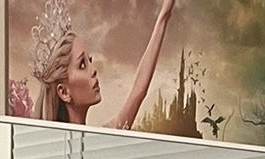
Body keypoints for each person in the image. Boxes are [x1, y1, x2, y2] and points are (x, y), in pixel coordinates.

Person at [31, 1, 176, 129]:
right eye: (82, 65)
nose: (94, 70)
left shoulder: (105, 136)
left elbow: (138, 91)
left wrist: (164, 15)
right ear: (64, 92)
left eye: (90, 61)